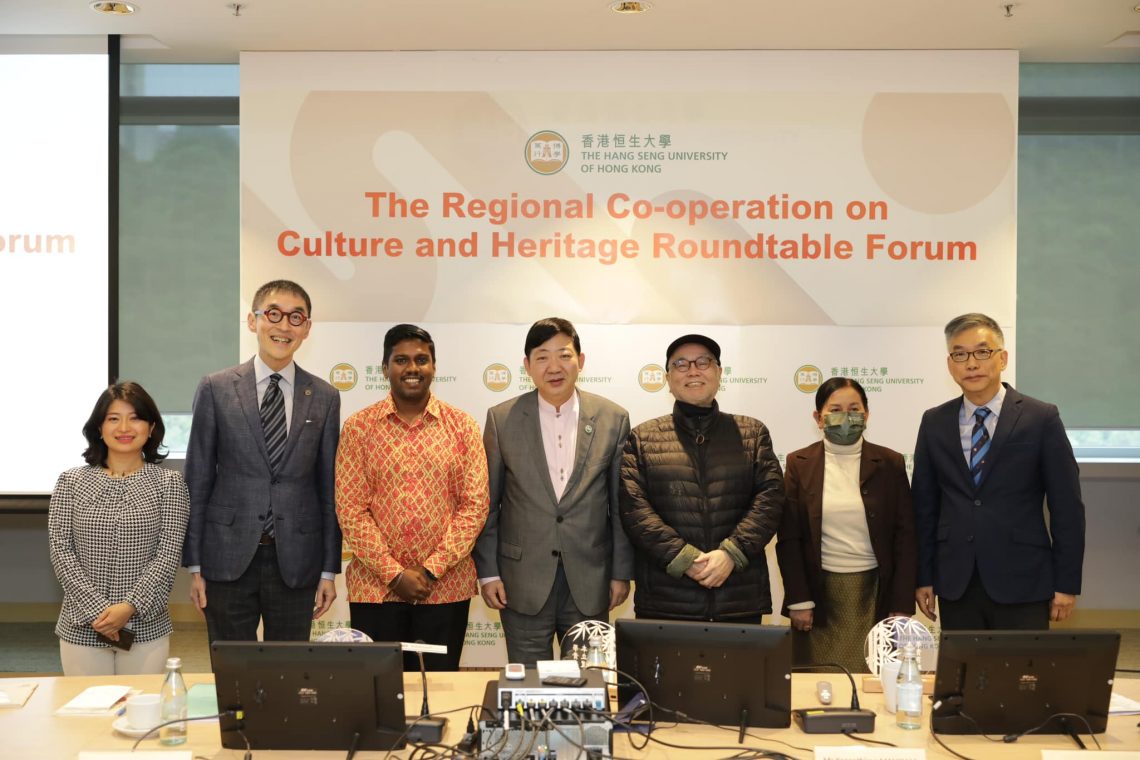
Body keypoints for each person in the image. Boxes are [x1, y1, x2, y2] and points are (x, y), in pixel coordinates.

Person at [183, 279, 341, 643]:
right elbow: (198, 478)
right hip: (226, 555)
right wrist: (194, 565)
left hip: (297, 559)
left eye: (296, 317)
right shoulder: (216, 388)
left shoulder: (324, 397)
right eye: (273, 314)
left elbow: (328, 488)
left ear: (307, 328)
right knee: (233, 671)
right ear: (253, 321)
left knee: (289, 674)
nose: (284, 326)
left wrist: (329, 571)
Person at [474, 317, 633, 666]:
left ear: (581, 360)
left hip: (590, 578)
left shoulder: (613, 418)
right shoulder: (502, 419)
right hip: (520, 580)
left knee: (588, 682)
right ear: (527, 366)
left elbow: (621, 506)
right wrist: (488, 573)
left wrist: (621, 571)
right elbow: (488, 504)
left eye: (563, 355)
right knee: (527, 685)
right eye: (542, 357)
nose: (554, 367)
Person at [912, 313, 1085, 630]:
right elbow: (924, 507)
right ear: (950, 364)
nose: (971, 363)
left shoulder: (1040, 417)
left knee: (1021, 677)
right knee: (962, 676)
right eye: (960, 354)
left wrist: (1066, 581)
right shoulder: (934, 421)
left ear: (1002, 358)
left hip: (1024, 578)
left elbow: (1067, 506)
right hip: (956, 580)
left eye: (982, 351)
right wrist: (924, 575)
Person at [336, 324, 489, 671]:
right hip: (375, 590)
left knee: (439, 689)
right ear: (384, 368)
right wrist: (394, 575)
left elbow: (474, 507)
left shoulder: (463, 426)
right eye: (401, 360)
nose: (412, 368)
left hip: (446, 589)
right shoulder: (358, 428)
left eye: (422, 359)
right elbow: (350, 509)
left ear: (434, 367)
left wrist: (430, 570)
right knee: (378, 692)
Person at [620, 334, 785, 622]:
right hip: (666, 599)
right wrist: (684, 559)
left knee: (737, 669)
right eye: (681, 364)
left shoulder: (753, 433)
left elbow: (770, 499)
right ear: (668, 378)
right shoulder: (642, 438)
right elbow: (635, 510)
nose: (693, 370)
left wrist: (731, 554)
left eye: (703, 362)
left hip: (738, 597)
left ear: (719, 373)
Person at [48, 382, 189, 675]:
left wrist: (129, 607)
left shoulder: (170, 484)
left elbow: (168, 555)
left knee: (141, 713)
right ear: (99, 427)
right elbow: (61, 551)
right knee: (88, 715)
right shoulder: (70, 482)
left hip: (145, 625)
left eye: (135, 417)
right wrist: (98, 611)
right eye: (113, 418)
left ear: (151, 428)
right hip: (82, 624)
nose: (125, 427)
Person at [775, 377, 916, 673]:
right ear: (818, 417)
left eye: (854, 408)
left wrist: (902, 603)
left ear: (866, 415)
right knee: (818, 680)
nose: (846, 416)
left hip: (874, 592)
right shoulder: (799, 463)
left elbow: (905, 536)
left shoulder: (889, 463)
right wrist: (799, 599)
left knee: (872, 680)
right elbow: (789, 537)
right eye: (836, 409)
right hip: (819, 593)